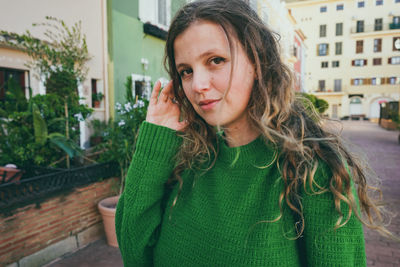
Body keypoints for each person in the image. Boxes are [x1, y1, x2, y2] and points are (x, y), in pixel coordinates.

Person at [115, 0, 391, 266]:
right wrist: (155, 138)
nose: (197, 85)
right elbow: (134, 254)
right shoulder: (188, 160)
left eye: (215, 60)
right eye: (186, 71)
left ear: (257, 64)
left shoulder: (313, 172)